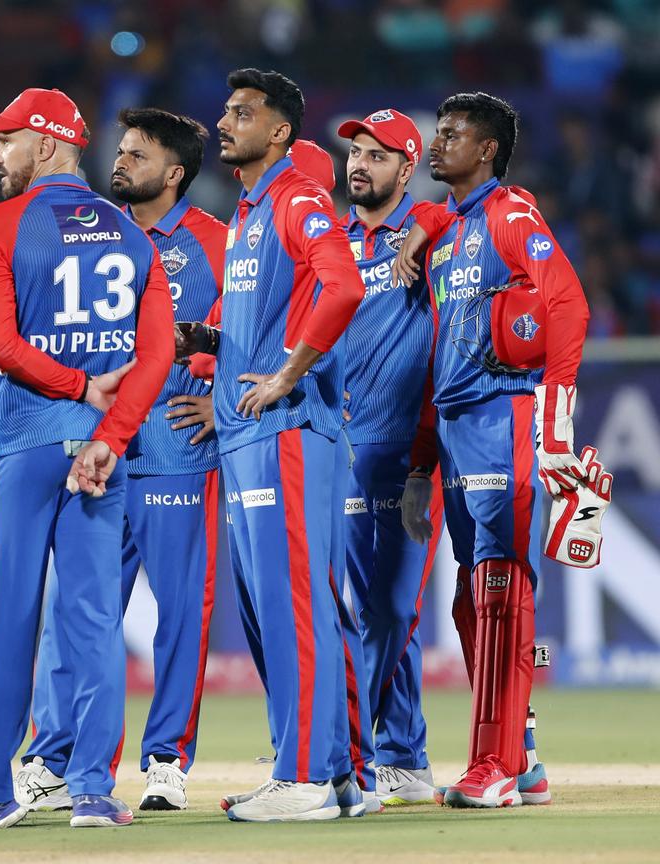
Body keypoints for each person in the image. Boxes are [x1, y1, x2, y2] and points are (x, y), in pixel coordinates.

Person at [0, 87, 174, 830]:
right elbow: (158, 355)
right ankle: (92, 790)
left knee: (11, 618)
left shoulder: (2, 223)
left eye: (6, 139)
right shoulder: (135, 236)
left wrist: (75, 385)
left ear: (46, 144)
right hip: (100, 454)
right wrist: (111, 436)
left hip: (21, 445)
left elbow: (1, 344)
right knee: (94, 620)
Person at [15, 107, 224, 814]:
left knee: (180, 612)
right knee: (74, 611)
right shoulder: (94, 228)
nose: (121, 161)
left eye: (138, 154)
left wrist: (223, 403)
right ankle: (51, 757)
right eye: (121, 149)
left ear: (174, 173)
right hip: (95, 449)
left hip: (173, 451)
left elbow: (261, 327)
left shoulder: (215, 242)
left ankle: (166, 759)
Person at [175, 69, 366, 822]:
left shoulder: (297, 198)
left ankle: (306, 779)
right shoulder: (250, 211)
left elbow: (343, 288)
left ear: (280, 131)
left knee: (293, 603)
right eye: (225, 111)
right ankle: (330, 773)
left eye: (242, 113)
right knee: (269, 611)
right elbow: (269, 317)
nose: (225, 123)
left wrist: (289, 371)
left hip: (286, 431)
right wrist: (211, 341)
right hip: (247, 433)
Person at [392, 92, 589, 807]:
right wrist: (421, 462)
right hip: (454, 428)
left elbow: (567, 304)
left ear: (487, 151)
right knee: (470, 603)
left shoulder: (511, 215)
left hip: (503, 417)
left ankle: (495, 767)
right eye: (437, 131)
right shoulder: (446, 232)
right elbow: (435, 356)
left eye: (453, 134)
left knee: (501, 587)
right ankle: (523, 757)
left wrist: (556, 426)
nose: (437, 142)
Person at [335, 109, 443, 806]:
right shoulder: (333, 240)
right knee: (369, 607)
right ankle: (401, 754)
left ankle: (338, 748)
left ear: (407, 169)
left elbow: (464, 212)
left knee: (393, 608)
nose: (359, 164)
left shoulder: (432, 235)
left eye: (377, 156)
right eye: (355, 153)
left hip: (409, 452)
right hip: (346, 448)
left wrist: (427, 222)